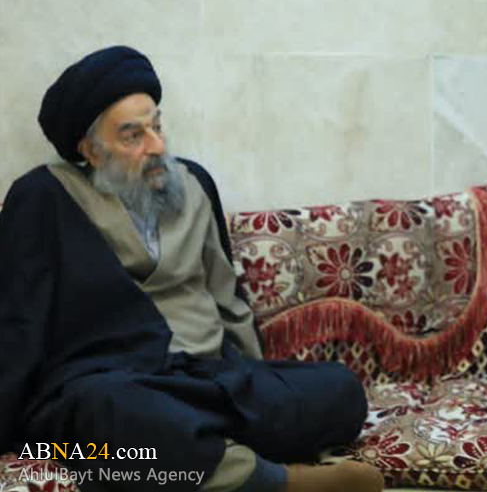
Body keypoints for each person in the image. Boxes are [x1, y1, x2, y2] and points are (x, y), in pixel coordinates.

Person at [0, 46, 384, 492]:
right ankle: (275, 481)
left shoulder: (193, 184)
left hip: (209, 378)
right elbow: (19, 323)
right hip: (115, 383)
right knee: (110, 418)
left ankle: (196, 447)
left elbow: (227, 299)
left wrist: (259, 388)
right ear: (92, 151)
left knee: (341, 391)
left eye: (157, 126)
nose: (157, 146)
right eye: (132, 136)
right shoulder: (44, 196)